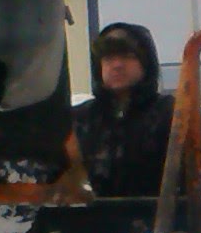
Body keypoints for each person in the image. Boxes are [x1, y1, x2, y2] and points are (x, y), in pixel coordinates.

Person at [71, 22, 175, 198]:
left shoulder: (171, 112)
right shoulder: (79, 119)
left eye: (127, 56)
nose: (117, 65)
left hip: (163, 219)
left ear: (146, 63)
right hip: (93, 221)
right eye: (109, 58)